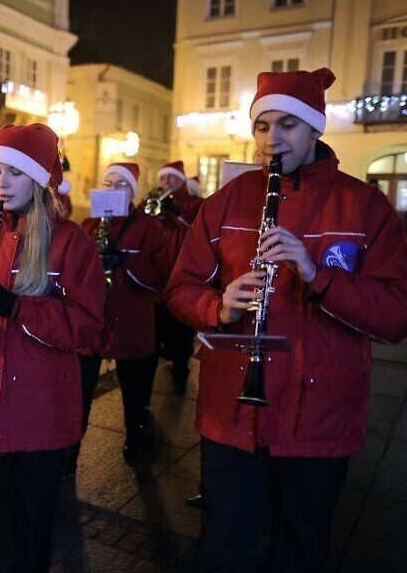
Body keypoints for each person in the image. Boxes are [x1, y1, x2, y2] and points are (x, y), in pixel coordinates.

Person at [166, 67, 407, 572]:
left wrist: (317, 275)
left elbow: (395, 316)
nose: (271, 138)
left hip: (318, 417)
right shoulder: (226, 201)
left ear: (316, 127)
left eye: (288, 125)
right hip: (232, 413)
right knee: (224, 546)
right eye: (262, 125)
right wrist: (220, 306)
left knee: (300, 548)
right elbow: (182, 289)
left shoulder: (365, 206)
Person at [0, 123, 106, 572]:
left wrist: (18, 308)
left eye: (15, 171)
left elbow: (88, 328)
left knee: (30, 530)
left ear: (39, 178)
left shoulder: (71, 242)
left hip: (41, 407)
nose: (2, 182)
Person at [72, 162, 170, 466]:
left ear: (132, 192)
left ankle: (136, 437)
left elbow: (161, 277)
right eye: (108, 182)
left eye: (121, 185)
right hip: (93, 323)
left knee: (135, 392)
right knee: (79, 392)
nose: (113, 189)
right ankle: (69, 451)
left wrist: (125, 265)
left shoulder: (149, 228)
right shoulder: (89, 225)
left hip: (132, 322)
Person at [151, 159, 202, 395]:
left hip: (183, 276)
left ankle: (181, 372)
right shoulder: (156, 201)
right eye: (162, 178)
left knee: (181, 330)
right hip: (158, 277)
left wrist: (176, 208)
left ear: (181, 181)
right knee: (158, 327)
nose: (166, 182)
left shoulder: (193, 203)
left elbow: (195, 224)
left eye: (171, 178)